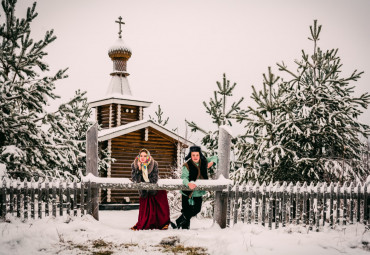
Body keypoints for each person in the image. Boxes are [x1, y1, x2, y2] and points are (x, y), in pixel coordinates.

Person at [174, 145, 218, 229]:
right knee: (186, 211)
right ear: (190, 155)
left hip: (198, 193)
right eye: (193, 155)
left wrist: (212, 162)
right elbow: (184, 178)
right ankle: (184, 229)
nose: (195, 157)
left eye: (197, 155)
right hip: (187, 192)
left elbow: (216, 157)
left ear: (199, 155)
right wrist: (189, 184)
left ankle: (178, 221)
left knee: (196, 210)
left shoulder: (204, 161)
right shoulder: (186, 165)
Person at [130, 149, 170, 230]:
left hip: (154, 190)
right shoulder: (135, 165)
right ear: (139, 156)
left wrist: (144, 180)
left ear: (148, 156)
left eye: (145, 156)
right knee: (145, 213)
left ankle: (162, 224)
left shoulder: (154, 164)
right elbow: (135, 179)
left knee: (159, 208)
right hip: (143, 191)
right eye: (141, 156)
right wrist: (139, 169)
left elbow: (154, 179)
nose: (142, 158)